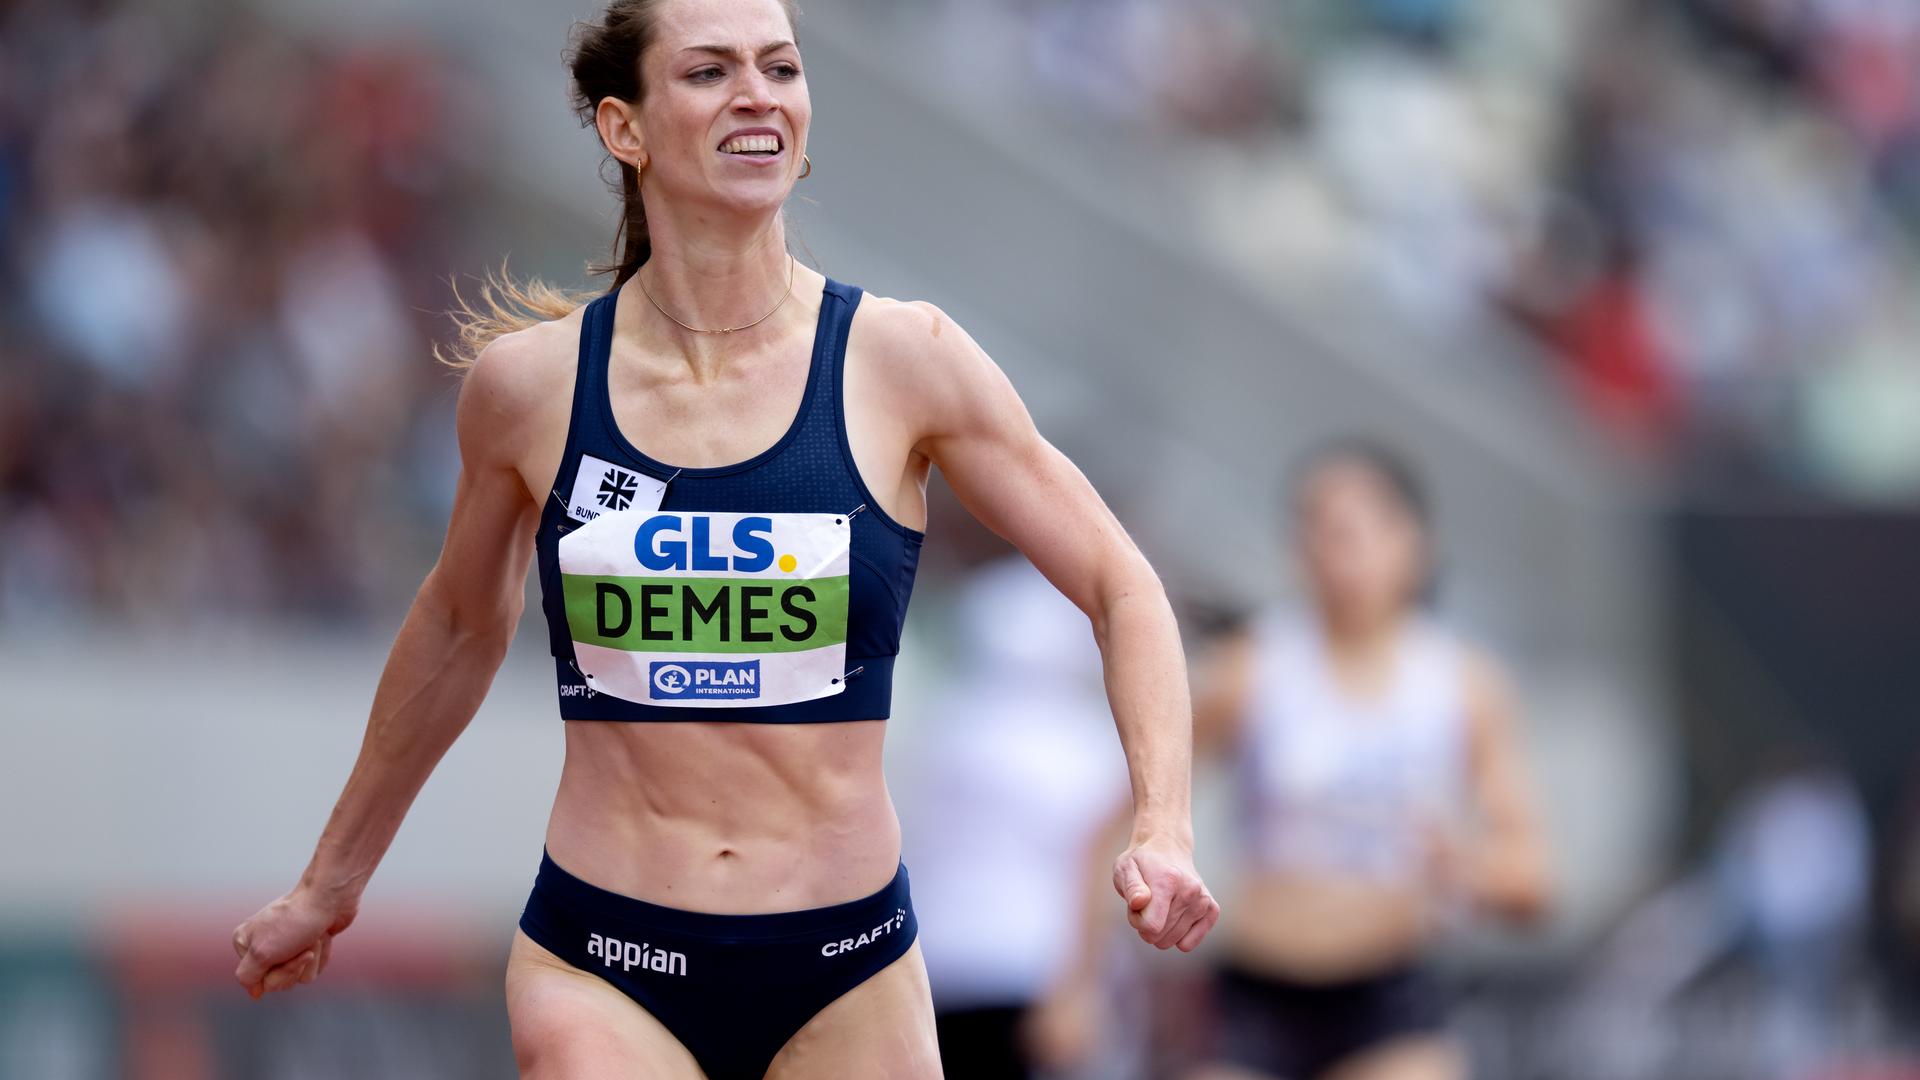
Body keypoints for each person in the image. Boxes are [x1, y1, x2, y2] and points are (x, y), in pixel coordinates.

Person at [227, 1, 1218, 1077]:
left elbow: (1124, 587)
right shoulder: (532, 389)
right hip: (602, 963)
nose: (758, 94)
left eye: (780, 68)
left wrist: (1164, 824)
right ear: (626, 129)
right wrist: (332, 882)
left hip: (846, 965)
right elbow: (460, 626)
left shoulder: (905, 361)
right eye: (709, 72)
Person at [1174, 438, 1553, 1080]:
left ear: (1413, 543)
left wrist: (1462, 865)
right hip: (1259, 990)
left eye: (1353, 532)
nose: (1334, 554)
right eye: (1314, 532)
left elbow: (1534, 878)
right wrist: (1082, 972)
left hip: (1387, 993)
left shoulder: (1461, 684)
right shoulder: (1253, 667)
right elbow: (1131, 802)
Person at [897, 554, 1134, 1079]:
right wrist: (1083, 987)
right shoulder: (1091, 744)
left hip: (935, 960)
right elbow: (1096, 870)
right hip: (1037, 963)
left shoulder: (948, 726)